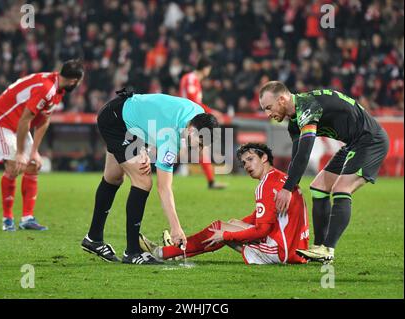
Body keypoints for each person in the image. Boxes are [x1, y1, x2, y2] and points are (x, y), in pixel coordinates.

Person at [82, 88, 219, 265]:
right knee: (143, 181)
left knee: (114, 176)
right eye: (199, 143)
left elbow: (155, 115)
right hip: (116, 122)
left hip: (123, 112)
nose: (199, 149)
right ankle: (132, 252)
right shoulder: (171, 138)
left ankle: (93, 239)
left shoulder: (198, 115)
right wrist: (176, 228)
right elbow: (164, 188)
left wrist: (144, 148)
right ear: (192, 131)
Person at [258, 81, 389, 263]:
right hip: (353, 143)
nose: (268, 114)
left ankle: (328, 249)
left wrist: (287, 189)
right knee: (318, 187)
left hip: (370, 141)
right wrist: (290, 186)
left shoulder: (307, 106)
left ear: (281, 99)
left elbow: (305, 154)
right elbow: (296, 157)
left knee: (341, 189)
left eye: (269, 107)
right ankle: (319, 247)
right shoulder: (295, 122)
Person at [139, 143, 309, 265]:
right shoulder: (281, 178)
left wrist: (226, 235)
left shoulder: (265, 185)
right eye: (243, 163)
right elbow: (266, 216)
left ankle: (163, 252)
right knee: (231, 224)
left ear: (264, 158)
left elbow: (262, 230)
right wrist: (235, 225)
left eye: (250, 159)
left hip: (280, 252)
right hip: (298, 249)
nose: (247, 166)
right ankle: (177, 251)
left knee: (219, 229)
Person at [0, 60, 84, 231]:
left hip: (18, 123)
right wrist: (21, 152)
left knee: (33, 165)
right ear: (75, 80)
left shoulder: (57, 87)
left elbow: (44, 120)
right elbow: (25, 120)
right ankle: (7, 219)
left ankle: (27, 218)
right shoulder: (47, 89)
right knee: (14, 166)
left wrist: (34, 151)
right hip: (0, 121)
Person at [179, 57, 227, 189]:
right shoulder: (191, 78)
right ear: (206, 68)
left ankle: (211, 182)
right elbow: (194, 101)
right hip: (187, 119)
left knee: (201, 148)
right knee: (184, 149)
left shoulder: (193, 79)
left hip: (189, 119)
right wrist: (212, 112)